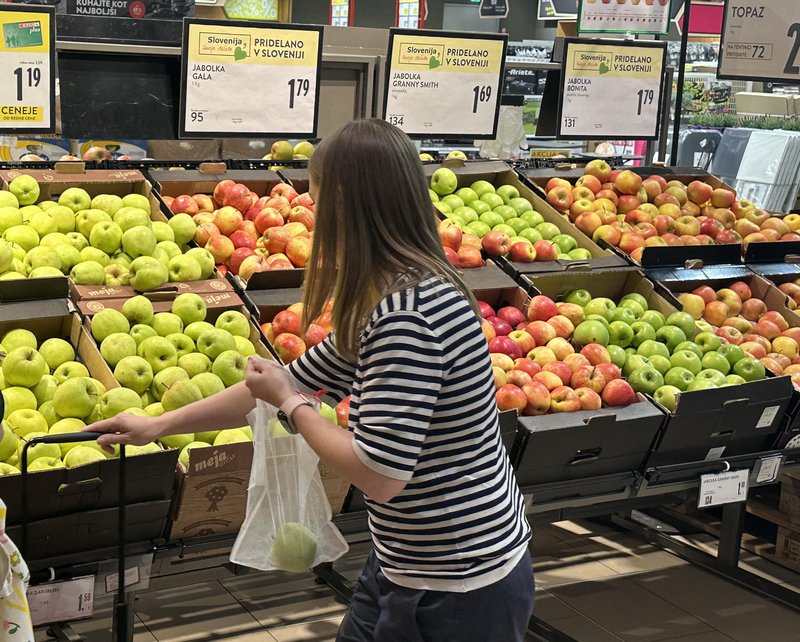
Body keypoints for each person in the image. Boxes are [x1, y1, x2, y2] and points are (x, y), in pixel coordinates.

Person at [91, 118, 534, 641]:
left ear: (348, 206)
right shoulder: (396, 294)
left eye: (318, 196)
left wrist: (291, 406)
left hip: (457, 581)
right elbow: (284, 382)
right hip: (407, 562)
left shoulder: (408, 316)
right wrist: (157, 425)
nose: (312, 210)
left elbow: (380, 474)